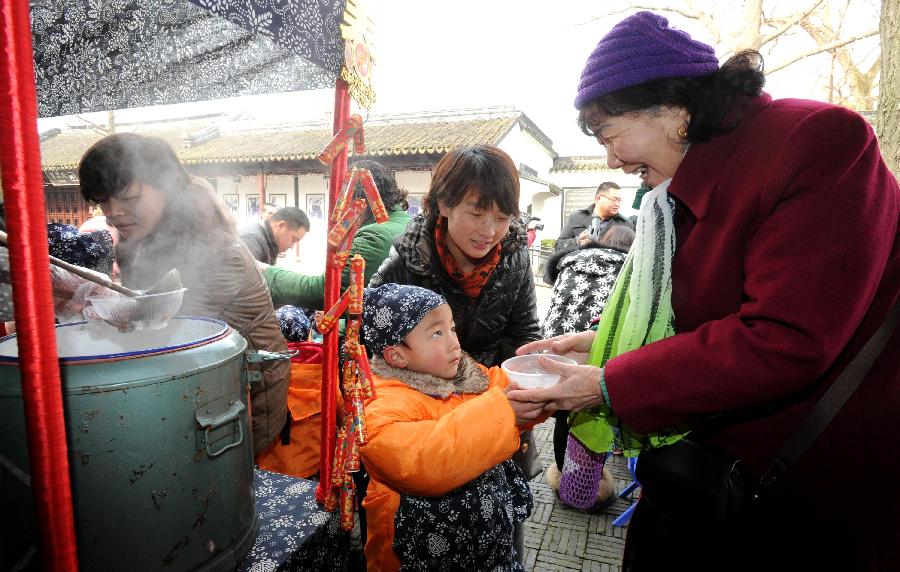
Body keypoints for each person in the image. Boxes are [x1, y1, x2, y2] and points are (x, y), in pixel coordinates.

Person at [508, 11, 900, 572]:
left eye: (608, 133)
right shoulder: (686, 181)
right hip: (708, 477)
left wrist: (608, 383)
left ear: (674, 110)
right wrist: (603, 344)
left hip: (803, 487)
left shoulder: (816, 141)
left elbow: (785, 335)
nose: (612, 160)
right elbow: (701, 320)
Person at [369, 144, 541, 562]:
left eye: (502, 217)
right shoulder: (404, 262)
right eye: (476, 213)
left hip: (494, 407)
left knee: (499, 529)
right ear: (443, 204)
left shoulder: (514, 259)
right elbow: (371, 345)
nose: (489, 230)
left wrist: (496, 391)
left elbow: (525, 336)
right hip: (425, 422)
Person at [77, 133, 290, 458]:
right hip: (196, 390)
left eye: (128, 197)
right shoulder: (144, 242)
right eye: (103, 201)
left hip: (241, 405)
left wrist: (93, 309)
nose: (113, 212)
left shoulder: (215, 252)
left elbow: (162, 332)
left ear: (167, 186)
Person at [359, 283, 535, 571]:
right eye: (437, 333)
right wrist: (503, 412)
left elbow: (505, 388)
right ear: (396, 356)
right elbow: (422, 460)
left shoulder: (466, 375)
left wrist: (546, 381)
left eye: (452, 328)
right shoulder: (378, 407)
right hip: (417, 555)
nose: (455, 342)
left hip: (487, 545)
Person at [541, 224, 634, 506]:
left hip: (556, 343)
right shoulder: (628, 270)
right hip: (594, 350)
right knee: (593, 415)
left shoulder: (571, 260)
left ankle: (564, 477)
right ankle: (586, 484)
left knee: (562, 413)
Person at [263, 160, 411, 310]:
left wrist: (266, 272)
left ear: (356, 201)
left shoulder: (374, 235)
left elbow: (326, 292)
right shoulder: (407, 222)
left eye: (342, 200)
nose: (339, 210)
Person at [554, 181, 631, 253]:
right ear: (598, 199)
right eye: (614, 199)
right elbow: (558, 246)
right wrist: (577, 241)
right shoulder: (576, 217)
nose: (617, 204)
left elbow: (631, 254)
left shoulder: (626, 224)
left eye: (619, 200)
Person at [238, 206, 310, 265]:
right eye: (293, 239)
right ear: (281, 225)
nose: (291, 247)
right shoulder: (252, 240)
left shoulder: (270, 242)